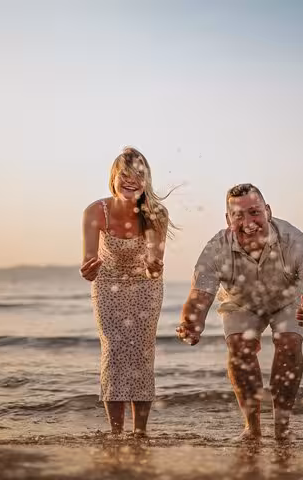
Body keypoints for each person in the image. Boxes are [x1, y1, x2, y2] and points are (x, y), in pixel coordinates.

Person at [176, 183, 303, 441]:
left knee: (288, 342)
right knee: (240, 347)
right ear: (227, 219)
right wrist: (190, 324)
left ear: (268, 212)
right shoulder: (216, 248)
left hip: (286, 299)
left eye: (254, 212)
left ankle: (282, 427)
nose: (248, 222)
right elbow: (198, 298)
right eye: (238, 215)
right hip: (241, 301)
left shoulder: (294, 241)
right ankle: (252, 429)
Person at [80, 147, 175, 436]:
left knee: (142, 353)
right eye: (125, 175)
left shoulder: (156, 213)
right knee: (114, 350)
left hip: (145, 286)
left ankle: (141, 433)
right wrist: (88, 270)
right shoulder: (96, 211)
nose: (131, 181)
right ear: (114, 177)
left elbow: (155, 266)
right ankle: (116, 431)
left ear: (146, 181)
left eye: (138, 175)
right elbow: (88, 261)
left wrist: (153, 268)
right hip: (108, 284)